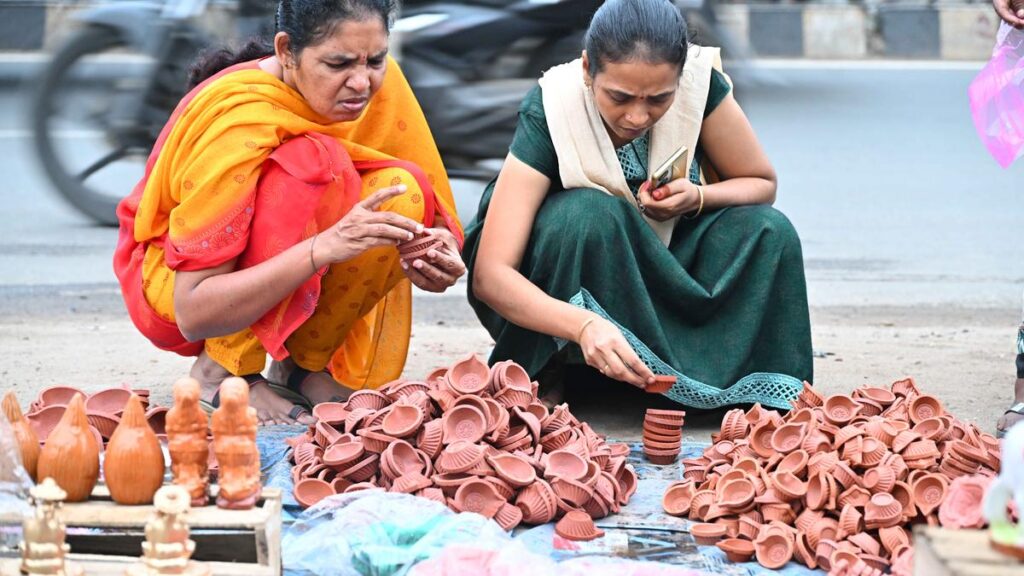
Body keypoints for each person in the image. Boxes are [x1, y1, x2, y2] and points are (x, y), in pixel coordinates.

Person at [114, 0, 465, 425]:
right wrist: (323, 249)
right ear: (286, 51)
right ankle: (219, 372)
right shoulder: (237, 122)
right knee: (309, 166)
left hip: (277, 264)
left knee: (401, 193)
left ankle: (301, 368)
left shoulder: (372, 81)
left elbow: (430, 209)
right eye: (337, 64)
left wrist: (432, 251)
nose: (361, 82)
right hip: (174, 281)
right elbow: (194, 311)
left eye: (376, 60)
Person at [464, 0, 812, 410]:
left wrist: (697, 197)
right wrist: (584, 324)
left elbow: (761, 183)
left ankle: (715, 386)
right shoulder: (553, 107)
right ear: (587, 69)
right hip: (572, 282)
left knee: (770, 232)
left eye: (658, 100)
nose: (637, 116)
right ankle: (556, 367)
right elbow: (491, 275)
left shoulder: (700, 88)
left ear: (681, 79)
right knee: (589, 215)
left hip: (667, 263)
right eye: (620, 97)